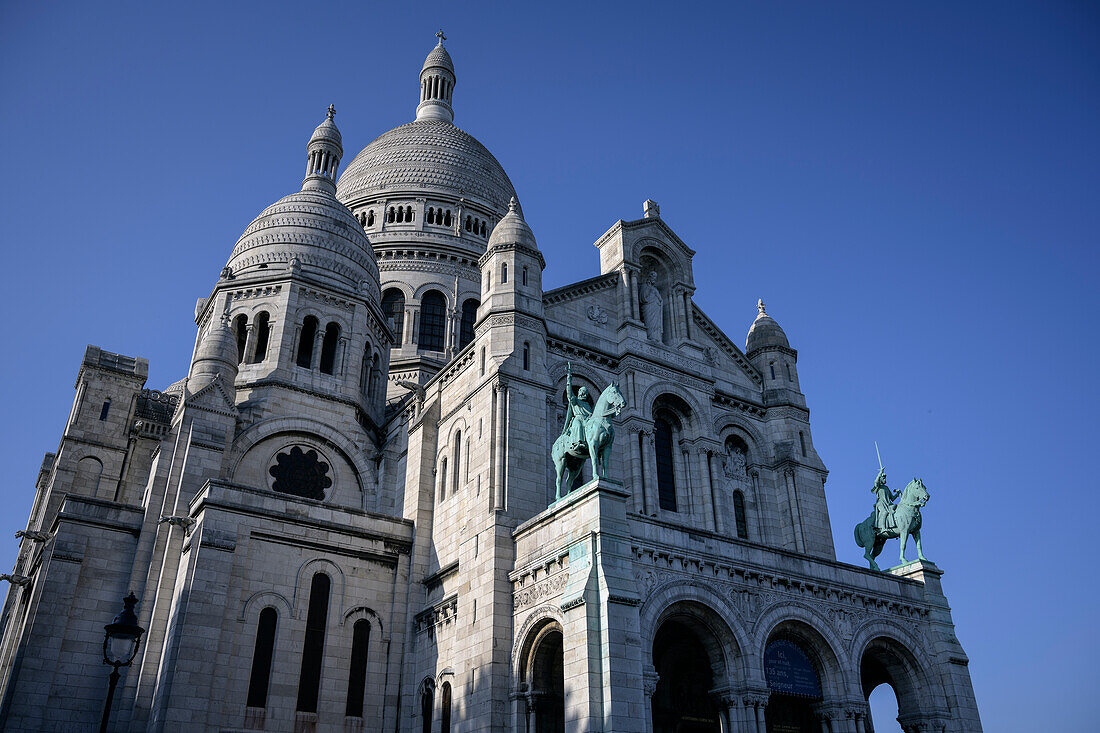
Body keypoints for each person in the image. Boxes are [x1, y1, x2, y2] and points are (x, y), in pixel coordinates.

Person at [561, 363, 592, 451]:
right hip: (578, 419)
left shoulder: (587, 405)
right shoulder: (575, 401)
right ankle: (578, 443)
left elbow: (591, 414)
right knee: (578, 425)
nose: (584, 394)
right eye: (582, 391)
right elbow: (570, 394)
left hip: (586, 420)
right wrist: (569, 381)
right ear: (579, 392)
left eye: (585, 393)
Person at [872, 467, 899, 534]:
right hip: (881, 503)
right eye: (883, 478)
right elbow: (876, 481)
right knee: (884, 512)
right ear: (880, 479)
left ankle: (893, 525)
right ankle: (883, 528)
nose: (884, 479)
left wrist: (897, 494)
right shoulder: (878, 486)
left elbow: (892, 498)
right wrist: (880, 472)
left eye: (885, 478)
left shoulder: (886, 488)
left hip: (888, 504)